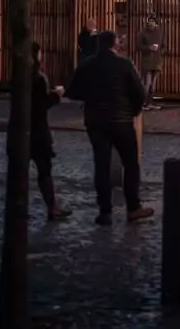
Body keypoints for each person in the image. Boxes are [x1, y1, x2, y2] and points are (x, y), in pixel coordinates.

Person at [66, 31, 152, 226]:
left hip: (96, 122)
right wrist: (133, 111)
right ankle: (133, 207)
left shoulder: (87, 65)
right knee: (131, 164)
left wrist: (90, 96)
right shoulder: (124, 65)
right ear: (115, 45)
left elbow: (72, 91)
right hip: (122, 121)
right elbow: (139, 93)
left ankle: (105, 211)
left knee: (101, 166)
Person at [29, 43, 72, 221]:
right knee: (44, 171)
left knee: (20, 170)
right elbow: (41, 106)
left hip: (21, 130)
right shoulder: (39, 78)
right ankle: (52, 208)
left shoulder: (19, 76)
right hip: (38, 131)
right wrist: (57, 95)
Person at [136, 17, 162, 109]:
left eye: (153, 22)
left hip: (157, 61)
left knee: (153, 85)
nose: (151, 23)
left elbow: (164, 45)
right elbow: (138, 46)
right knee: (147, 83)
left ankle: (150, 102)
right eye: (149, 21)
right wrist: (148, 48)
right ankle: (143, 102)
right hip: (147, 61)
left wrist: (160, 51)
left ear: (156, 23)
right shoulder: (143, 33)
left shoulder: (159, 33)